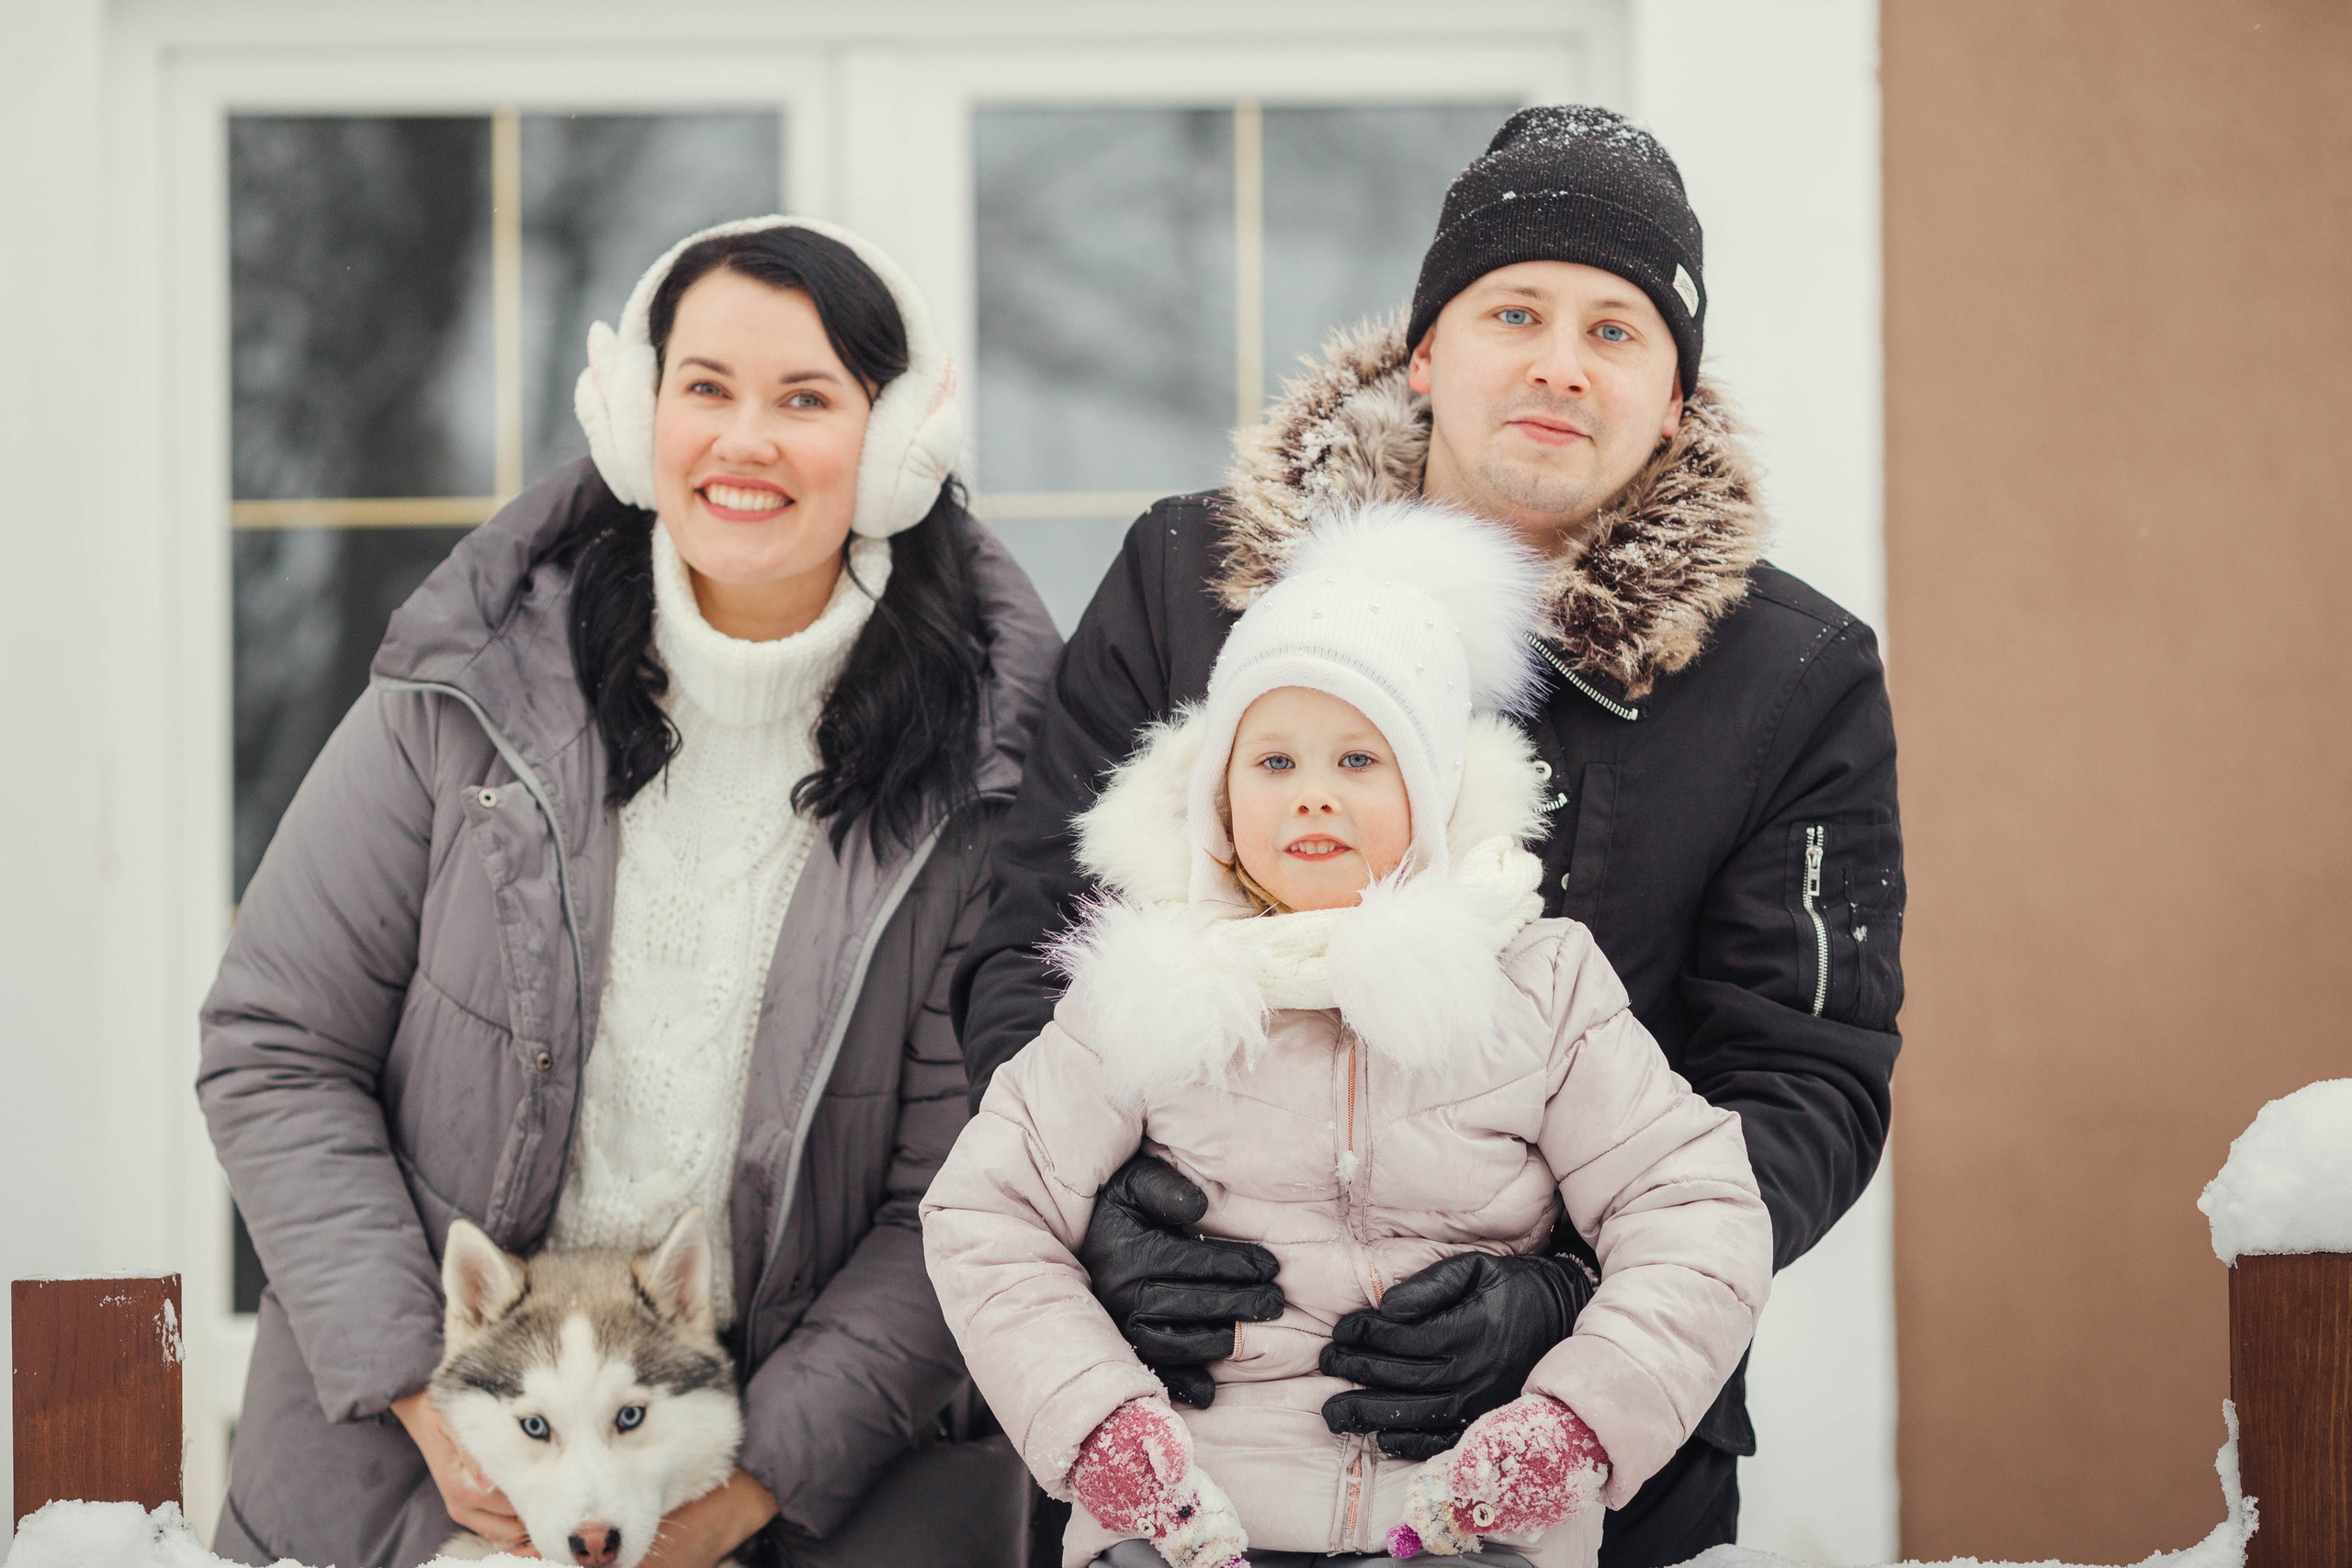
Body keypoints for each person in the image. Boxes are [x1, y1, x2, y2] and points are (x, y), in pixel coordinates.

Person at [953, 107, 1905, 1564]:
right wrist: (1105, 1221)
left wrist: (1579, 1292)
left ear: (1675, 398)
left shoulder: (1791, 678)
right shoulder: (1182, 586)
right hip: (1189, 1445)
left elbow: (1805, 1069)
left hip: (1572, 1476)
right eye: (1513, 309)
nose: (1558, 363)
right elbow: (1032, 940)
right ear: (1426, 351)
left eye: (1617, 329)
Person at [198, 217, 1059, 1568]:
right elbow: (277, 1043)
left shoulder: (989, 775)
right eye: (705, 386)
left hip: (829, 1498)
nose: (745, 440)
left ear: (896, 445)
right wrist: (441, 1401)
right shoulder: (463, 692)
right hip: (420, 1483)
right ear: (632, 412)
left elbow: (976, 1186)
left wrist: (752, 1479)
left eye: (806, 398)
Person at [923, 501, 1773, 1568]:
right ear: (1220, 802)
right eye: (1273, 763)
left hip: (1467, 1528)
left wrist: (1574, 1422)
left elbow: (1699, 1212)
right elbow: (980, 1212)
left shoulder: (1538, 985)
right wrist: (1100, 1428)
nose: (1312, 796)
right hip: (1188, 1529)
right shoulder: (1145, 991)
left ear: (1427, 792)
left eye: (1358, 762)